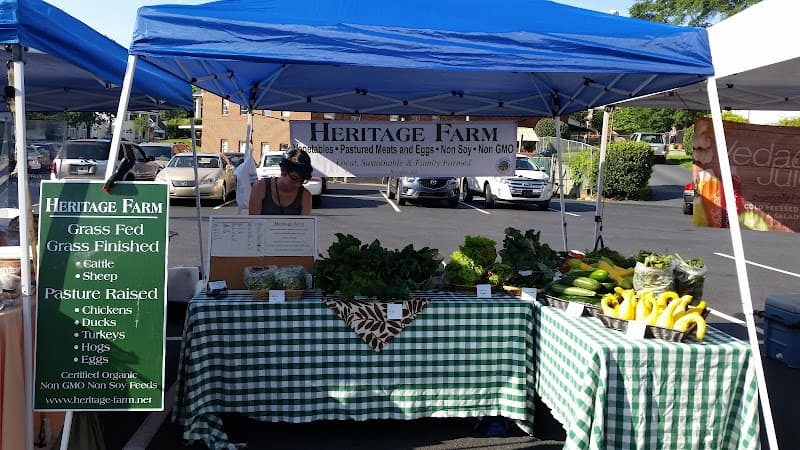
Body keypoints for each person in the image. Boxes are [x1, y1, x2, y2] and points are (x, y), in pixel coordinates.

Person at [249, 148, 313, 215]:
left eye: (302, 181)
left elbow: (306, 224)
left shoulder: (305, 196)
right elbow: (253, 222)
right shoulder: (260, 187)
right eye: (294, 178)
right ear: (283, 170)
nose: (297, 184)